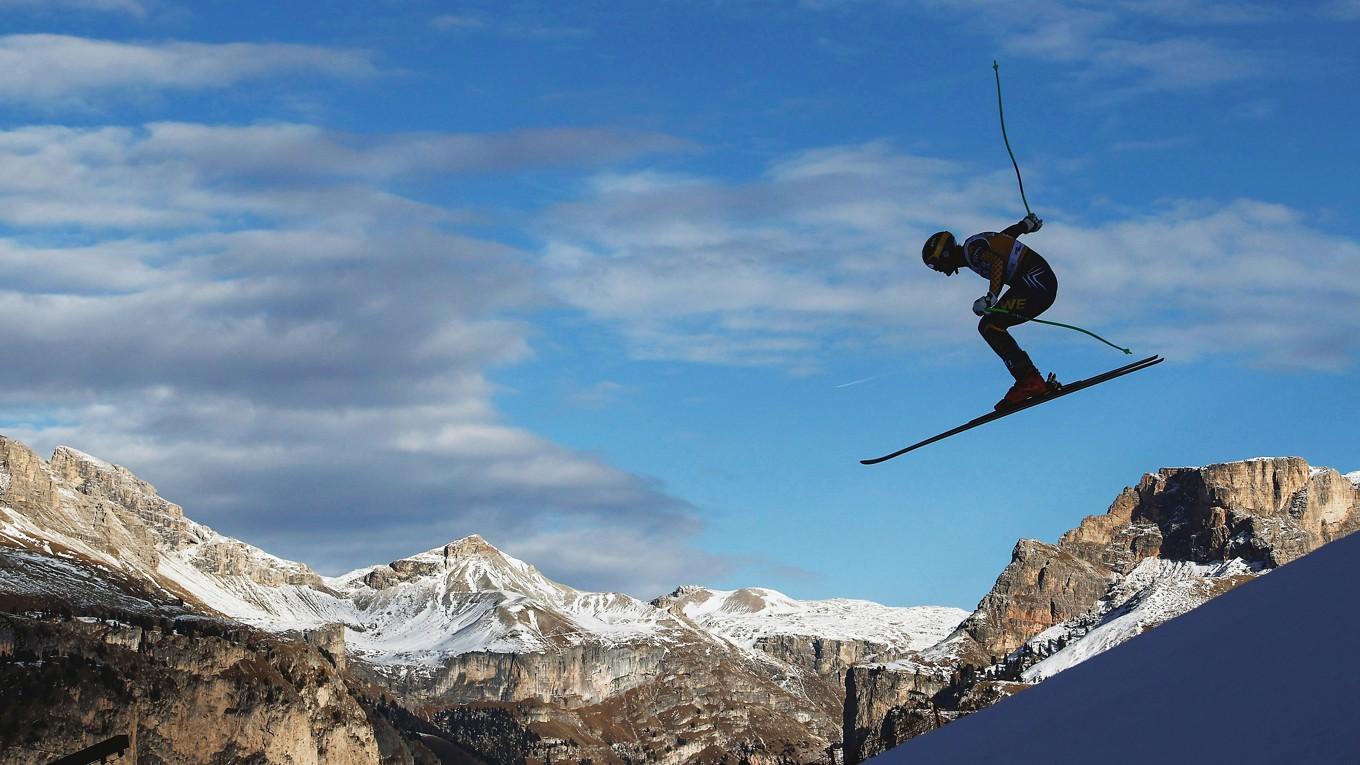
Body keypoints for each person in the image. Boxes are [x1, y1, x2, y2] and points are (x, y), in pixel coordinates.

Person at [921, 213, 1057, 410]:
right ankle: (1030, 380)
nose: (939, 271)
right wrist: (1023, 226)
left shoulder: (971, 250)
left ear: (945, 255)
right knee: (990, 325)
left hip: (1035, 284)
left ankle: (1030, 381)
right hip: (1038, 283)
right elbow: (1003, 239)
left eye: (936, 265)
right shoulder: (973, 247)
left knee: (990, 325)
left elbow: (997, 262)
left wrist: (991, 296)